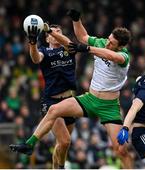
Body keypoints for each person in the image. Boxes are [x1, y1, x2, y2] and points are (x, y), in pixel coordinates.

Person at [10, 10, 133, 168]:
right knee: (58, 124)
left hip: (109, 107)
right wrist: (77, 20)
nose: (107, 43)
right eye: (108, 39)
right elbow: (82, 38)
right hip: (88, 99)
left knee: (120, 150)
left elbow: (112, 56)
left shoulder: (124, 56)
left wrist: (86, 49)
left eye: (112, 43)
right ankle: (29, 144)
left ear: (121, 46)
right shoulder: (46, 52)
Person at [16, 23, 77, 169]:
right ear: (47, 38)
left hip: (69, 101)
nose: (56, 33)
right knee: (65, 141)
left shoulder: (69, 49)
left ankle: (56, 167)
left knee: (62, 145)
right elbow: (36, 58)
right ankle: (60, 167)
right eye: (52, 32)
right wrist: (32, 42)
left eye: (59, 31)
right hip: (52, 101)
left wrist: (51, 30)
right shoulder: (44, 51)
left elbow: (68, 42)